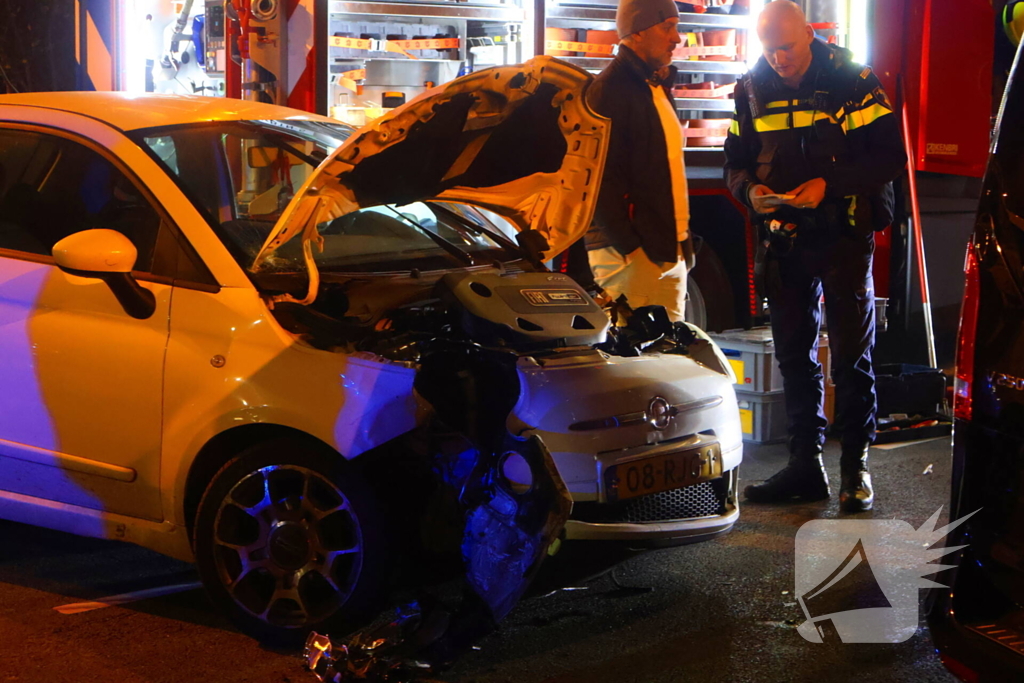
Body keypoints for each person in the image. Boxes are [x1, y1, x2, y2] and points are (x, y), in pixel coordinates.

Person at [724, 0, 906, 512]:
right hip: (783, 239)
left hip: (843, 235)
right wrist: (749, 192)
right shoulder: (751, 87)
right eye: (769, 49)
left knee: (850, 356)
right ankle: (804, 466)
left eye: (786, 47)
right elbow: (734, 163)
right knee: (793, 356)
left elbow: (890, 156)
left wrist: (830, 184)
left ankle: (855, 470)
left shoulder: (853, 81)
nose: (778, 58)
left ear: (809, 32)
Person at [576, 0, 693, 321]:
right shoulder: (607, 91)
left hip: (667, 250)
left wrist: (682, 246)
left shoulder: (654, 86)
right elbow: (597, 184)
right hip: (631, 259)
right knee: (637, 352)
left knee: (670, 352)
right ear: (636, 32)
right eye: (667, 27)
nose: (677, 38)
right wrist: (631, 251)